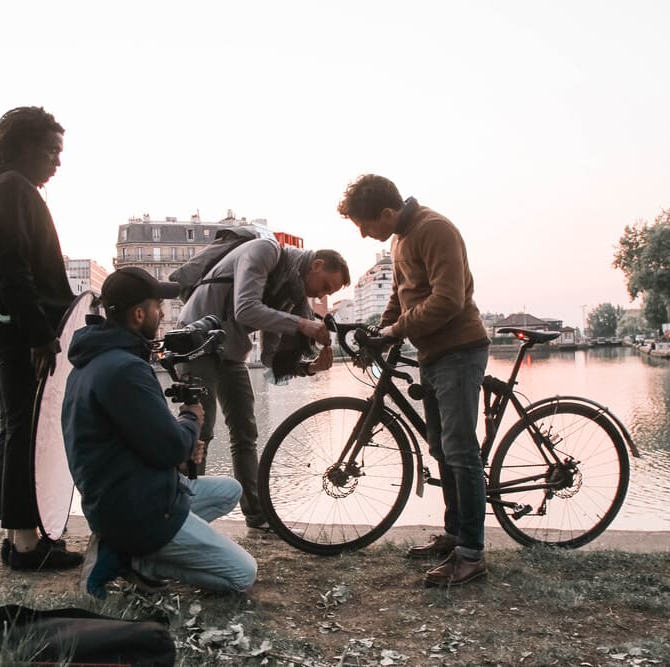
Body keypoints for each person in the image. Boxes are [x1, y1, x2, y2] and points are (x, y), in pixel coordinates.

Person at [62, 267, 256, 597]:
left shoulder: (97, 360)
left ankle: (123, 545)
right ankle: (136, 561)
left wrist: (183, 440)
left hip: (123, 494)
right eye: (156, 306)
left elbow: (144, 441)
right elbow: (169, 448)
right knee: (242, 574)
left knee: (229, 490)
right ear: (139, 314)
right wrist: (191, 420)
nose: (162, 312)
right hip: (137, 508)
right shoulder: (124, 369)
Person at [337, 174, 491, 587]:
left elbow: (448, 299)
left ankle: (472, 554)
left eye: (365, 225)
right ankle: (455, 534)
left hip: (460, 349)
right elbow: (402, 293)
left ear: (388, 213)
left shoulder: (434, 230)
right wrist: (382, 326)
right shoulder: (400, 238)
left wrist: (396, 331)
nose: (365, 234)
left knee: (461, 451)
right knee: (442, 448)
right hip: (434, 353)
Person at [0, 106, 81, 570]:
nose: (57, 161)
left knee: (18, 427)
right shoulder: (14, 188)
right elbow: (10, 264)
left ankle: (21, 534)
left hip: (12, 326)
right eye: (51, 150)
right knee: (25, 430)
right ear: (24, 147)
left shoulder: (11, 188)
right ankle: (24, 546)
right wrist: (39, 334)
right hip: (21, 330)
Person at [177, 239, 351, 530]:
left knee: (245, 432)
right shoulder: (265, 252)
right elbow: (245, 309)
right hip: (197, 342)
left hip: (230, 351)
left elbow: (271, 357)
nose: (320, 295)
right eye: (324, 286)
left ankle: (257, 516)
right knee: (200, 431)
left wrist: (309, 367)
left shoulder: (290, 293)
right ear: (316, 264)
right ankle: (184, 519)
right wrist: (301, 324)